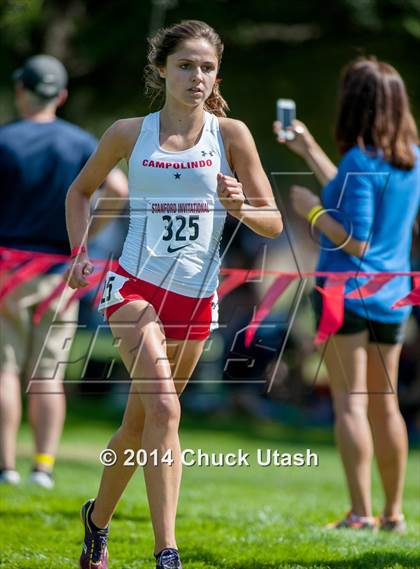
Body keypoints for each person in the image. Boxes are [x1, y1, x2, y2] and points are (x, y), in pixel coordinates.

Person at [66, 20, 283, 569]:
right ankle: (168, 552)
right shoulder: (127, 132)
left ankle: (96, 521)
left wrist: (239, 208)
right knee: (165, 407)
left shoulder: (230, 135)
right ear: (161, 68)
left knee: (142, 424)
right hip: (133, 287)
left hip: (195, 296)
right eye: (186, 65)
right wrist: (79, 250)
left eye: (207, 67)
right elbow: (80, 190)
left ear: (217, 75)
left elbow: (274, 223)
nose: (197, 77)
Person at [274, 56, 419, 532]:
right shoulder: (413, 159)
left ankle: (360, 513)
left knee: (350, 405)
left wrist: (311, 211)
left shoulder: (361, 160)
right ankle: (394, 514)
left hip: (343, 293)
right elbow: (353, 192)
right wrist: (310, 149)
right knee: (386, 403)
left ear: (353, 104)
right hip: (392, 294)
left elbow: (356, 240)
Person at [0, 54, 128, 489]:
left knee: (4, 369)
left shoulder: (4, 140)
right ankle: (42, 466)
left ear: (21, 90)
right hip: (59, 268)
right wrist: (87, 237)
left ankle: (6, 468)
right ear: (63, 96)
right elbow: (118, 190)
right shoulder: (79, 142)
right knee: (48, 372)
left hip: (7, 269)